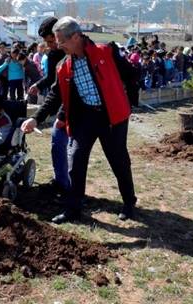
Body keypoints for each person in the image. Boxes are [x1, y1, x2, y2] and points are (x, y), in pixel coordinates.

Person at [21, 17, 139, 223]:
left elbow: (131, 74)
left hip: (112, 118)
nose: (58, 46)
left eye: (61, 41)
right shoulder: (63, 66)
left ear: (76, 37)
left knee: (118, 160)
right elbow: (55, 96)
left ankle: (129, 202)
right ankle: (73, 209)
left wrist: (125, 101)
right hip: (84, 118)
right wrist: (36, 119)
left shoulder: (106, 52)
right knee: (75, 160)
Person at [27, 16, 71, 194]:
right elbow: (54, 82)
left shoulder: (74, 51)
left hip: (83, 107)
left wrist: (60, 115)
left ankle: (69, 186)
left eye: (52, 41)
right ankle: (62, 182)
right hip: (64, 102)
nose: (51, 45)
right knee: (59, 140)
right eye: (47, 42)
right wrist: (39, 85)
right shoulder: (53, 56)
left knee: (66, 143)